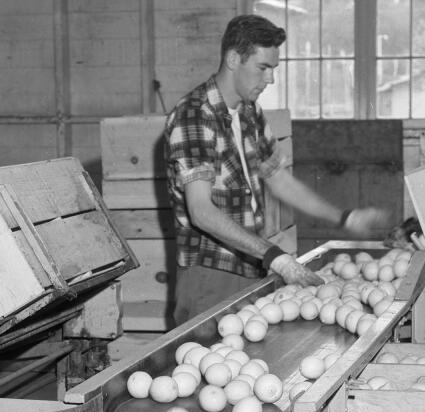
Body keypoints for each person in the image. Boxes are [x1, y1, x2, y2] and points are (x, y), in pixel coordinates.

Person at [163, 14, 393, 325]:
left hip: (250, 263)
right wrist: (274, 256)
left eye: (274, 69)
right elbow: (201, 210)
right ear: (233, 59)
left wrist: (343, 217)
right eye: (263, 67)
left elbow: (279, 180)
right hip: (211, 273)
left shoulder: (249, 112)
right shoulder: (194, 115)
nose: (270, 79)